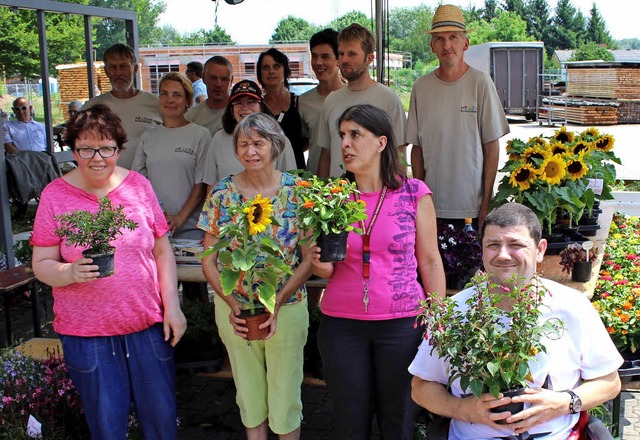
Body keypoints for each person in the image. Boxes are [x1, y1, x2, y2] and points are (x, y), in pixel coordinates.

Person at [30, 103, 187, 440]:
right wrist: (69, 272)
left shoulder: (138, 187)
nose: (97, 157)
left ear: (119, 148)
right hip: (87, 334)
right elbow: (41, 264)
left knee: (161, 421)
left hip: (147, 325)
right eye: (86, 148)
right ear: (72, 149)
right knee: (107, 426)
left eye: (106, 148)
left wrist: (172, 307)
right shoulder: (55, 196)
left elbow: (162, 250)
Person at [410, 202, 622, 439]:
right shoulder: (455, 312)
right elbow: (421, 387)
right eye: (492, 245)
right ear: (481, 250)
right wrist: (462, 409)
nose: (502, 255)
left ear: (540, 249)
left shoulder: (572, 306)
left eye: (516, 245)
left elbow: (610, 382)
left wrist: (565, 402)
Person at [311, 104, 445, 440]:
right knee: (349, 422)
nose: (345, 143)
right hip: (342, 325)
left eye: (355, 134)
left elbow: (429, 259)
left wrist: (439, 319)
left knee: (398, 419)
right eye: (342, 135)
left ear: (381, 142)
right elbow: (327, 267)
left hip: (402, 324)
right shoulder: (333, 197)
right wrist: (317, 262)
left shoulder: (414, 193)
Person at [199, 112, 312, 439]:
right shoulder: (222, 193)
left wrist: (277, 301)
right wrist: (232, 303)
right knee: (248, 395)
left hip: (287, 307)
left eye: (259, 143)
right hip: (236, 311)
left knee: (286, 395)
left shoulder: (297, 191)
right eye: (244, 144)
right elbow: (208, 259)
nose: (251, 151)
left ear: (275, 146)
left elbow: (307, 259)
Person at [407, 4, 509, 228]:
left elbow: (492, 146)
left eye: (453, 37)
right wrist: (419, 199)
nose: (447, 45)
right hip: (432, 205)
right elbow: (417, 149)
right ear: (432, 46)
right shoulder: (421, 87)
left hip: (471, 208)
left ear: (466, 43)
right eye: (439, 39)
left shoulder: (480, 83)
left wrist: (486, 204)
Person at [132, 72, 211, 302]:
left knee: (195, 294)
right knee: (159, 293)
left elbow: (202, 182)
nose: (170, 99)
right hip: (155, 228)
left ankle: (196, 337)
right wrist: (157, 217)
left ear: (187, 100)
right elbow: (139, 182)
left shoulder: (200, 135)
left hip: (190, 227)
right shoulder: (149, 136)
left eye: (176, 95)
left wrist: (180, 217)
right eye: (165, 94)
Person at [317, 24, 406, 178]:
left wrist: (399, 195)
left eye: (352, 54)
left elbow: (399, 154)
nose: (344, 60)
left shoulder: (388, 99)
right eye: (341, 53)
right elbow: (326, 153)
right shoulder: (331, 100)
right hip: (339, 196)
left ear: (369, 58)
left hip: (378, 196)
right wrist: (322, 193)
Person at [202, 79, 296, 187]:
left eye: (251, 102)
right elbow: (211, 185)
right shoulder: (218, 139)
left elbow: (291, 183)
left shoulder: (278, 139)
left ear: (261, 107)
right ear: (232, 110)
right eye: (238, 103)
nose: (245, 107)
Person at [82, 43, 161, 169]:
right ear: (106, 71)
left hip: (149, 183)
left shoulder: (156, 104)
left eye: (123, 67)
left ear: (134, 69)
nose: (118, 73)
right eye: (113, 67)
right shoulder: (92, 108)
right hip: (106, 183)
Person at [299, 28, 344, 175]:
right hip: (314, 182)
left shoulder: (352, 97)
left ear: (338, 60)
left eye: (325, 57)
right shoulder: (303, 101)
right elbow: (304, 141)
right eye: (314, 56)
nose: (318, 62)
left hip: (347, 181)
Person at [257, 48, 306, 170]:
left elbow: (310, 138)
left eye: (276, 66)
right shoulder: (257, 107)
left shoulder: (299, 102)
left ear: (285, 70)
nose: (271, 71)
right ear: (260, 73)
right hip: (266, 172)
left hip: (296, 170)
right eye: (266, 68)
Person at [185, 56, 233, 136]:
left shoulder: (241, 114)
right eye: (213, 78)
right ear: (203, 77)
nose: (218, 84)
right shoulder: (190, 117)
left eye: (224, 79)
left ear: (231, 81)